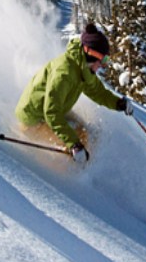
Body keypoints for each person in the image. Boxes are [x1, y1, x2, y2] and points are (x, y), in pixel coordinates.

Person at [14, 23, 133, 162]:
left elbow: (97, 91)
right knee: (80, 139)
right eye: (103, 60)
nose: (103, 65)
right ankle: (71, 176)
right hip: (34, 119)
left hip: (54, 111)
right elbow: (51, 112)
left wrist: (118, 103)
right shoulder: (64, 74)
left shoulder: (83, 69)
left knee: (87, 131)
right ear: (91, 55)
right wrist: (74, 144)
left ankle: (84, 161)